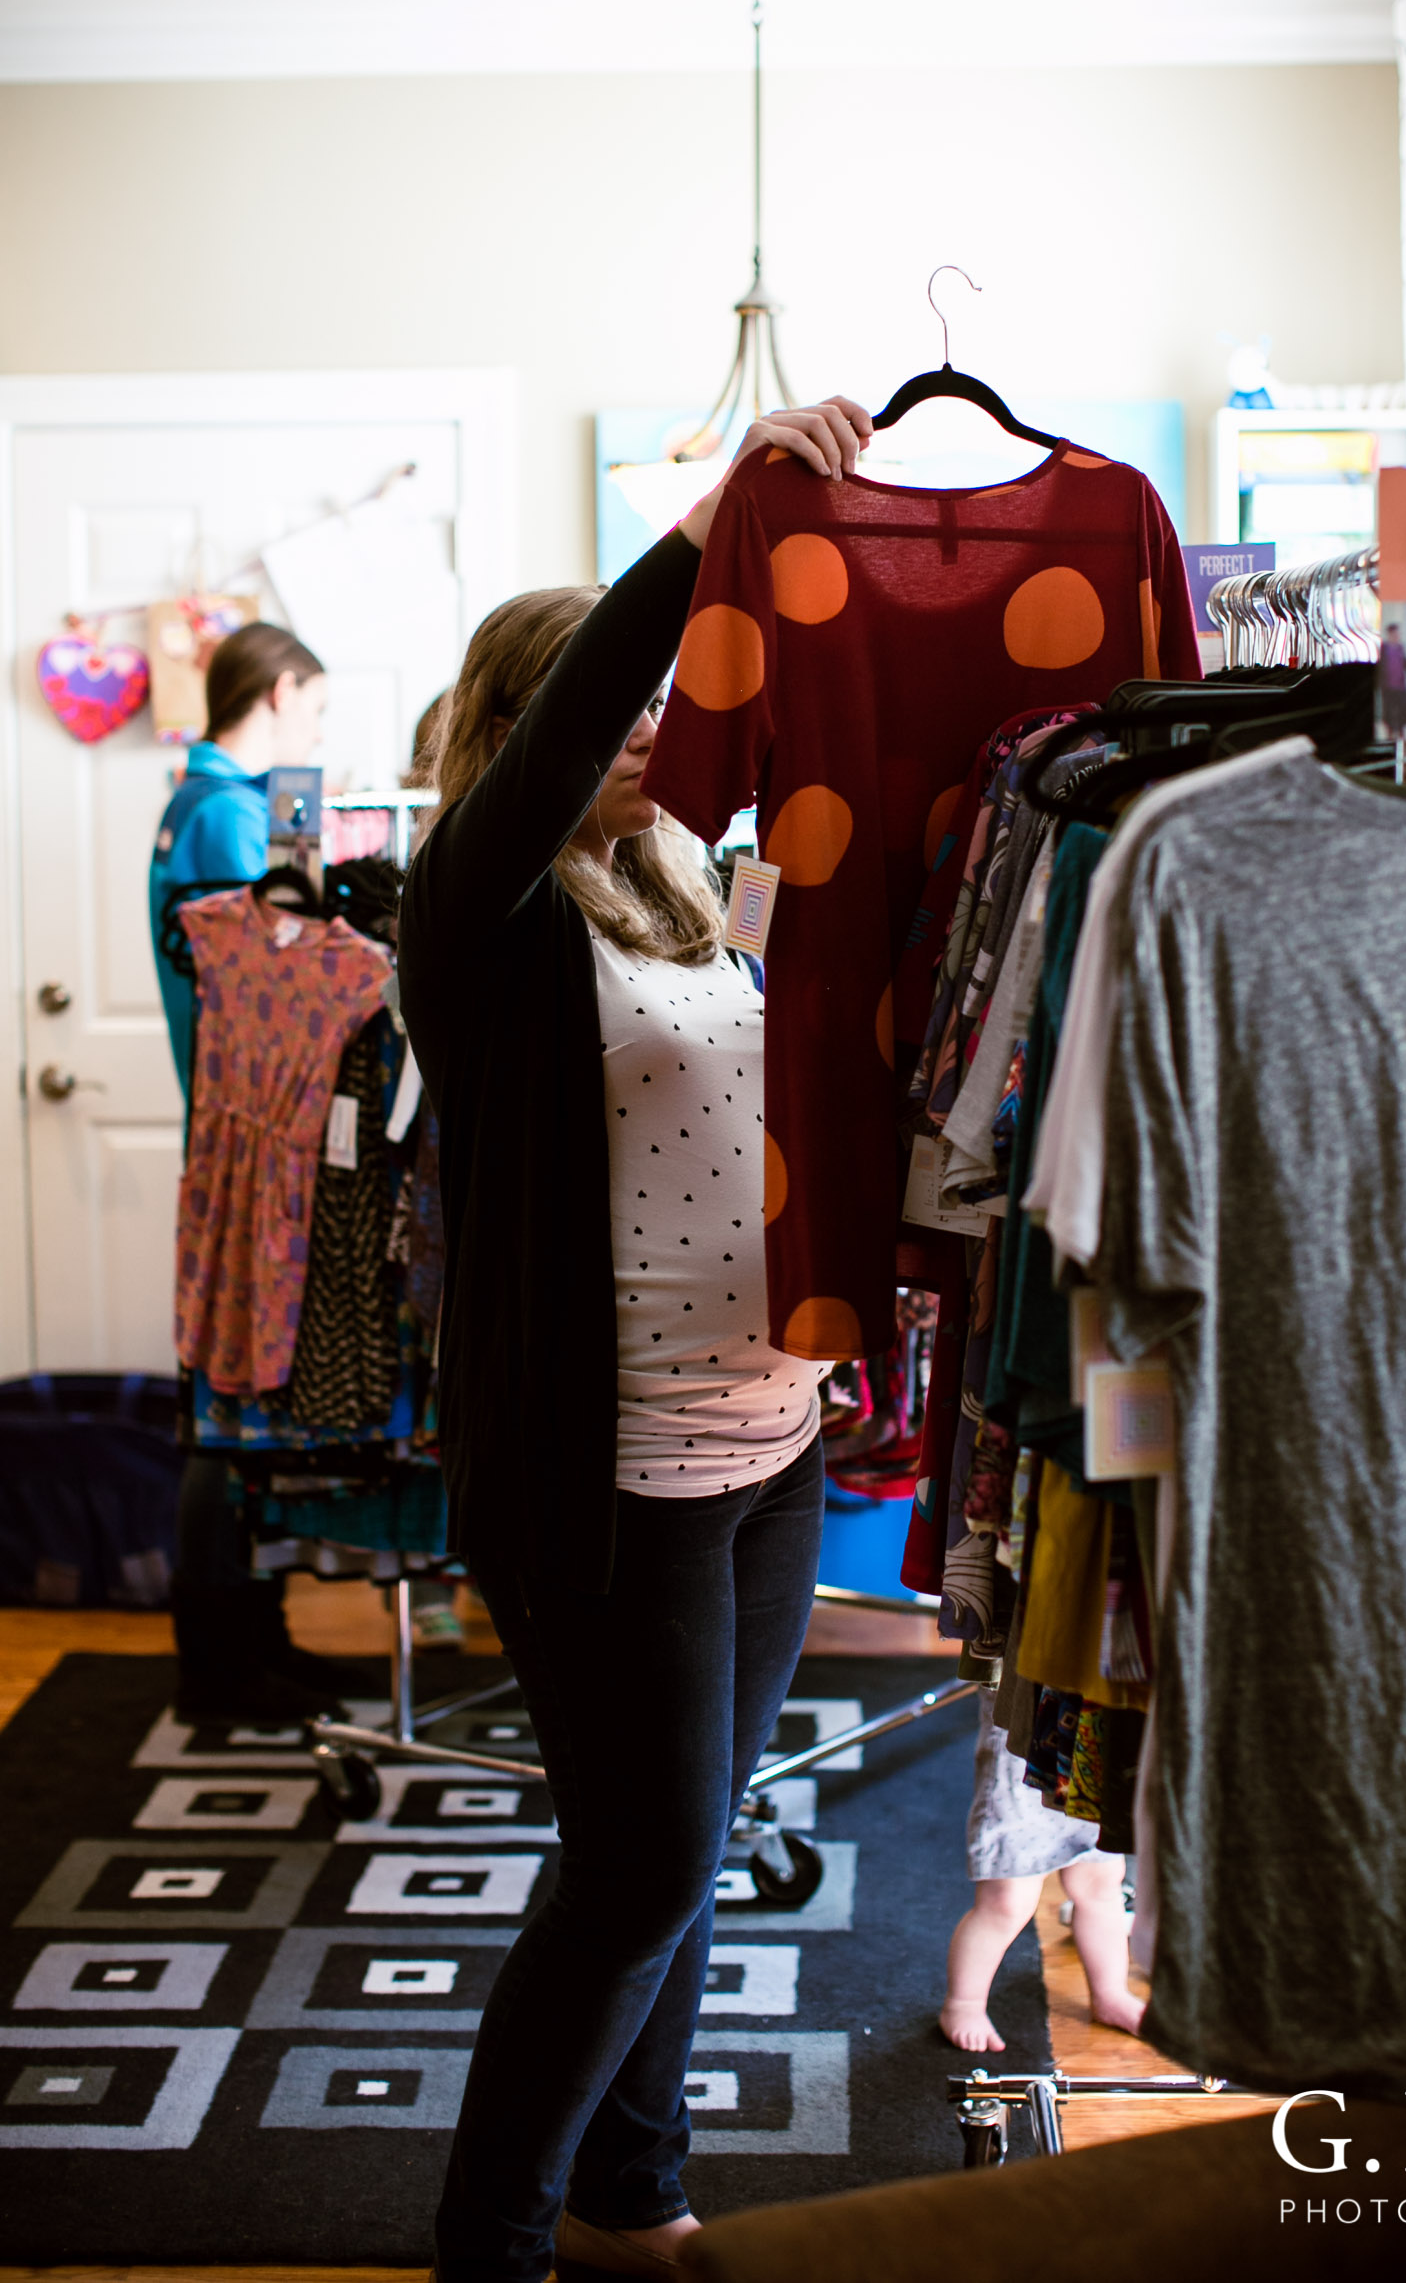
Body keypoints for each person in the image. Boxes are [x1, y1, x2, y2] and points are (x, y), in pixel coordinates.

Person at [402, 397, 873, 2283]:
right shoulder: (477, 911)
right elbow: (554, 756)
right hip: (611, 1477)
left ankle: (635, 2193)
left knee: (672, 1857)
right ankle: (491, 2248)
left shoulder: (693, 890)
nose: (667, 728)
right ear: (537, 732)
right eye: (632, 705)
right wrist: (706, 524)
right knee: (642, 1872)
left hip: (763, 1444)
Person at [149, 621, 369, 1723]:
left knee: (237, 1388)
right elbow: (272, 965)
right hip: (248, 1131)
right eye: (317, 708)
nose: (317, 731)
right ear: (281, 693)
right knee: (227, 1392)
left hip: (241, 1123)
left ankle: (252, 1643)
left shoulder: (198, 805)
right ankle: (220, 1665)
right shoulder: (227, 813)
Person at [940, 1690, 1144, 2053]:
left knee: (1101, 1886)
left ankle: (1111, 1993)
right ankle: (964, 2003)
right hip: (1026, 1749)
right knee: (1007, 1901)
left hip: (1093, 1745)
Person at [1377, 621, 1406, 738]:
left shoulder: (1401, 647)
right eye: (1395, 634)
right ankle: (1389, 734)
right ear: (1390, 634)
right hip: (1388, 686)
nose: (1397, 636)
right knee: (1388, 712)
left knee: (1402, 711)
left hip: (1400, 686)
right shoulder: (1383, 648)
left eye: (1398, 634)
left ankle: (1401, 734)